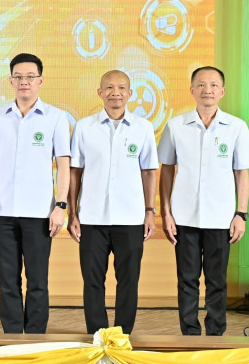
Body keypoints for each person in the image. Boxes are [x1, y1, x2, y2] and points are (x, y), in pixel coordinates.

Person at [158, 66, 249, 336]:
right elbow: (166, 169)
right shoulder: (176, 125)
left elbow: (242, 173)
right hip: (184, 217)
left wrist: (241, 214)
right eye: (201, 85)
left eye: (214, 85)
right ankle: (189, 334)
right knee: (187, 280)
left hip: (221, 218)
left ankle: (215, 335)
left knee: (217, 282)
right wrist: (166, 213)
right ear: (192, 90)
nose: (207, 90)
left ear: (222, 91)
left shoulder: (236, 127)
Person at [0, 53, 70, 333]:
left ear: (41, 80)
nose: (24, 82)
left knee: (37, 280)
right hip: (3, 211)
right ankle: (12, 335)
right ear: (11, 81)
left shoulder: (56, 117)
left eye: (30, 76)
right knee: (8, 280)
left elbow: (63, 165)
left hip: (40, 212)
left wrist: (61, 206)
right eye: (18, 77)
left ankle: (35, 336)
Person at [67, 70, 158, 334]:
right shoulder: (84, 126)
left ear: (129, 93)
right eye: (108, 87)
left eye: (120, 88)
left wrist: (149, 211)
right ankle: (97, 334)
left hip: (131, 218)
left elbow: (149, 172)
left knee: (128, 281)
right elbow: (75, 172)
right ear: (100, 92)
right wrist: (73, 213)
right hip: (91, 217)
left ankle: (122, 335)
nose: (115, 92)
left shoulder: (143, 128)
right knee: (92, 281)